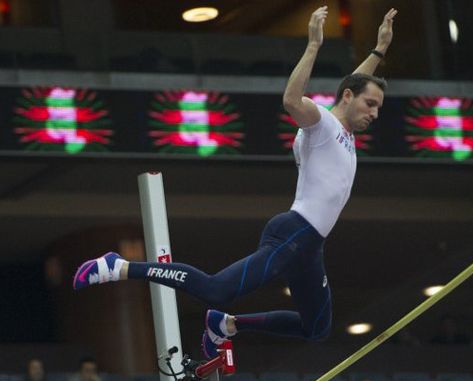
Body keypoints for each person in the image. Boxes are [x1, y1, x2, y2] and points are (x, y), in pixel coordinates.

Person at [73, 6, 397, 359]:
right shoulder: (322, 125)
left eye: (378, 108)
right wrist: (313, 46)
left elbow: (355, 84)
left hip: (309, 246)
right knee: (217, 288)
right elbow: (291, 99)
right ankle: (118, 266)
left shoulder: (344, 128)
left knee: (317, 328)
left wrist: (378, 50)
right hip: (293, 233)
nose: (375, 114)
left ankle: (226, 325)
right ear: (348, 98)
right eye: (370, 105)